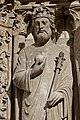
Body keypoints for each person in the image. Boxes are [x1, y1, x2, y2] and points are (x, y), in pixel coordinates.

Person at [13, 6, 73, 120]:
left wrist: (61, 93)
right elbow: (16, 78)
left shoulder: (62, 53)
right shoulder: (26, 52)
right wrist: (32, 72)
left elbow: (68, 82)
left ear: (51, 26)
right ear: (33, 28)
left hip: (54, 108)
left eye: (44, 22)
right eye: (37, 23)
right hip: (31, 107)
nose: (41, 26)